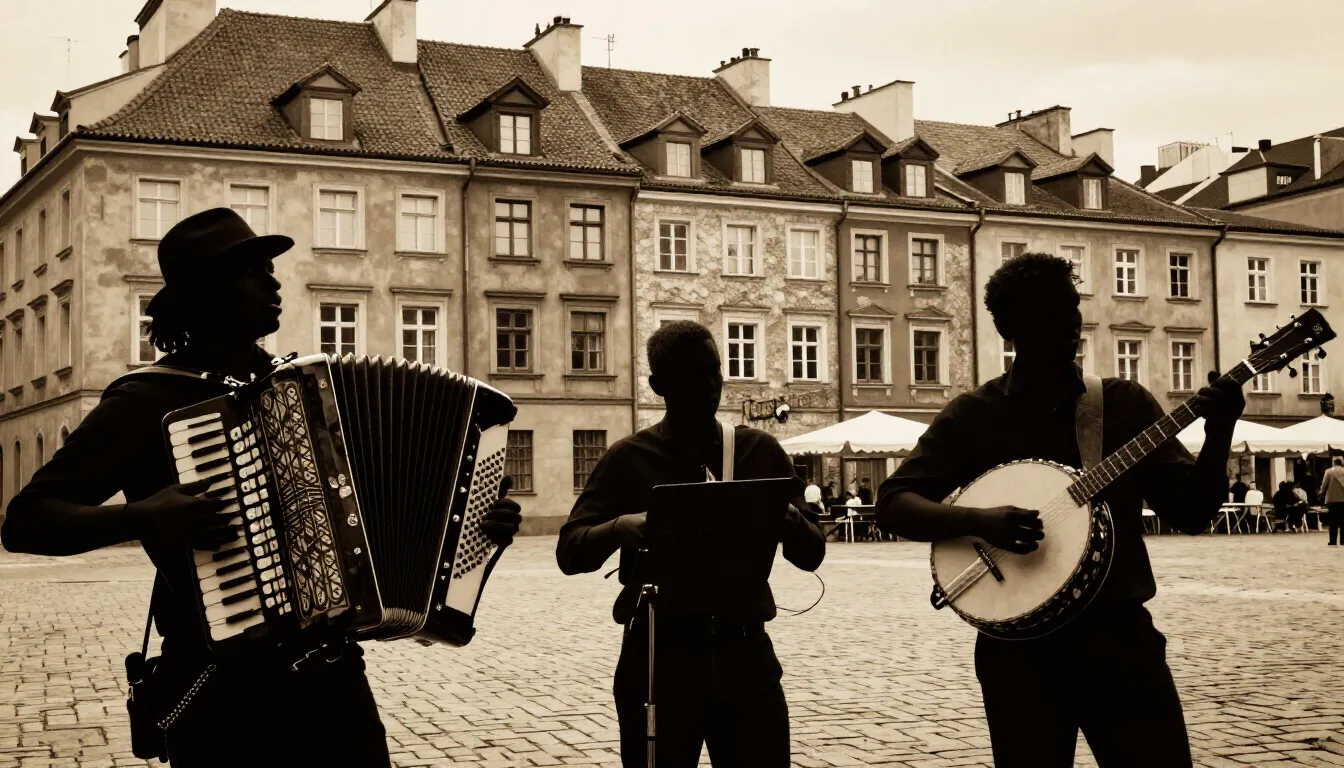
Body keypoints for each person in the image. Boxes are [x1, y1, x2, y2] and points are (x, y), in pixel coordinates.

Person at [0, 208, 523, 767]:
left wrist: (472, 525)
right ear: (205, 292)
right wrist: (142, 516)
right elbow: (27, 521)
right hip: (221, 693)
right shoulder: (143, 401)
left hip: (333, 683)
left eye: (270, 269)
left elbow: (383, 516)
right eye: (252, 271)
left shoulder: (307, 393)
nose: (273, 283)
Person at [876, 253, 1243, 768]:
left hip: (1120, 642)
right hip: (1018, 653)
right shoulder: (975, 415)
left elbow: (1193, 513)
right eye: (1051, 313)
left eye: (1072, 307)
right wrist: (978, 521)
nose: (1071, 323)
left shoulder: (1124, 404)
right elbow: (893, 503)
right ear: (1011, 329)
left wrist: (1219, 432)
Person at [556, 320, 825, 767]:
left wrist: (792, 521)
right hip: (659, 658)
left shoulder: (760, 452)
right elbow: (570, 552)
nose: (711, 385)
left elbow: (812, 553)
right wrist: (619, 527)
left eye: (714, 370)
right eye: (693, 376)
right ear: (659, 386)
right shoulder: (628, 458)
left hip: (745, 657)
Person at [1318, 458, 1344, 545]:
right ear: (1341, 464)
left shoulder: (1329, 471)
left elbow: (1324, 484)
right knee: (1343, 520)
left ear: (1334, 463)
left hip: (1332, 499)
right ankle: (1343, 540)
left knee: (1333, 521)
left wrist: (1320, 493)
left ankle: (1333, 541)